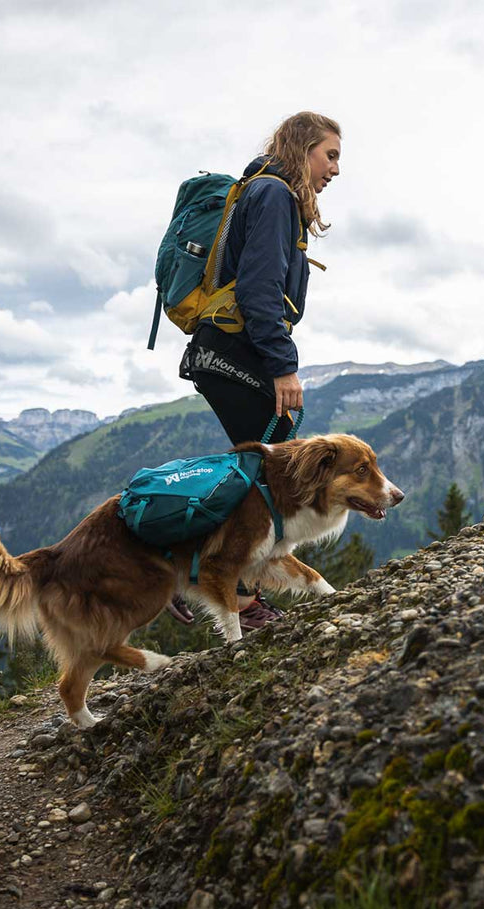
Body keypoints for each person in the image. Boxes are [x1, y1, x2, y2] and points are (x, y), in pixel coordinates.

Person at [169, 110, 342, 631]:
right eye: (329, 155)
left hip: (229, 347)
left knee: (266, 461)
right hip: (232, 346)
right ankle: (222, 585)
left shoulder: (267, 194)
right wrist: (283, 367)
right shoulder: (272, 196)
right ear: (303, 148)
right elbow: (258, 289)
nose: (334, 169)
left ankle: (208, 570)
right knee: (272, 462)